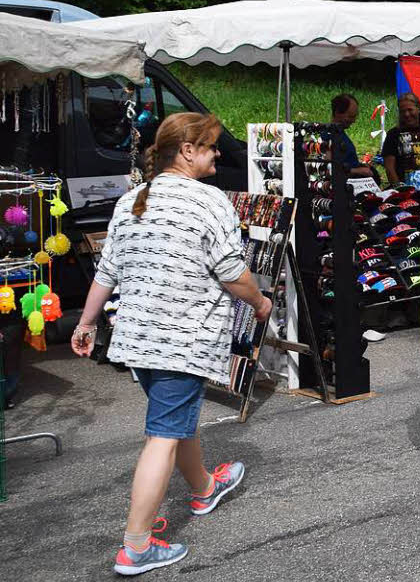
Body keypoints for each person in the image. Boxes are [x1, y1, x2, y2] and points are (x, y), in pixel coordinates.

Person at [71, 112, 273, 575]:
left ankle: (204, 488)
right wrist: (261, 303)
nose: (218, 154)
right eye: (211, 146)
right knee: (162, 435)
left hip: (137, 339)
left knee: (174, 418)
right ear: (187, 151)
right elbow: (232, 273)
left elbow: (108, 272)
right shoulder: (209, 201)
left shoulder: (131, 201)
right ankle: (137, 546)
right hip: (183, 339)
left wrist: (86, 323)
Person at [330, 93, 374, 178]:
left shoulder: (339, 133)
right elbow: (329, 169)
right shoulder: (329, 137)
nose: (353, 121)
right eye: (350, 116)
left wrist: (361, 166)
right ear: (337, 113)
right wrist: (358, 171)